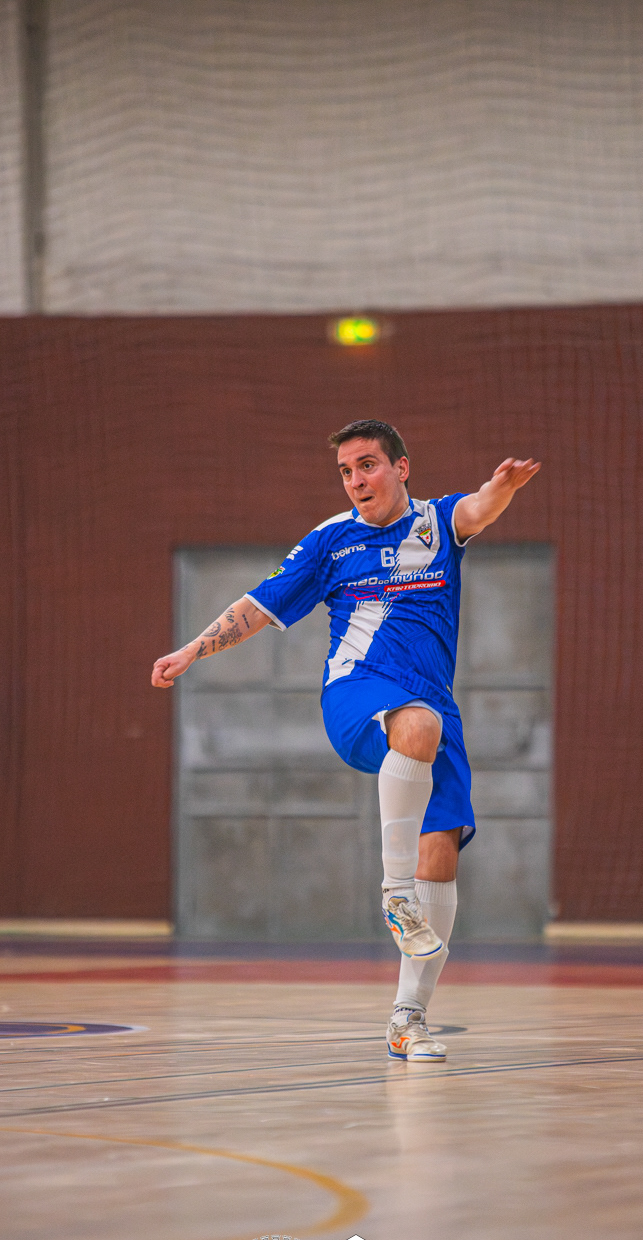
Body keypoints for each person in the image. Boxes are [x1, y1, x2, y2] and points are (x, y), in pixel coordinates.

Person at [152, 420, 540, 1061]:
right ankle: (395, 895)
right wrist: (193, 649)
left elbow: (479, 507)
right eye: (346, 471)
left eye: (367, 465)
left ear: (401, 468)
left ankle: (408, 1018)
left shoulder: (438, 524)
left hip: (432, 707)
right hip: (358, 693)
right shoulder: (330, 541)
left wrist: (504, 488)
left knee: (440, 852)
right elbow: (258, 605)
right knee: (416, 728)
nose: (356, 480)